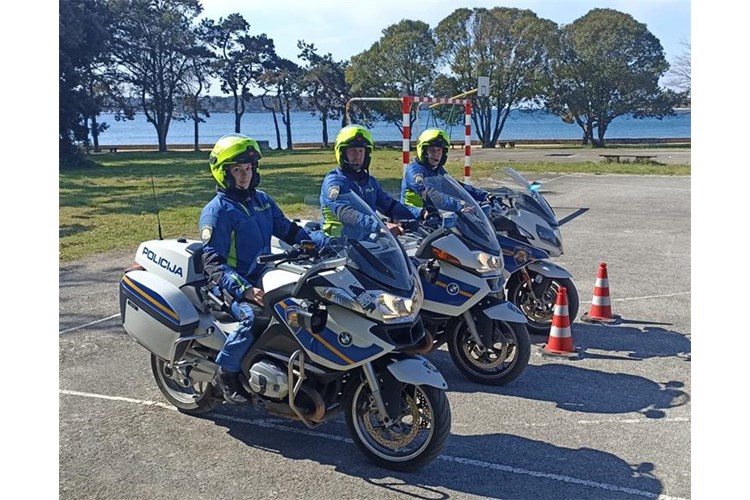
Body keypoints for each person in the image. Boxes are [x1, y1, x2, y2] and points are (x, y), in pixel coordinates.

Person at [199, 133, 312, 403]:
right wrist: (245, 290)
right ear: (223, 173)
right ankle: (226, 373)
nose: (243, 176)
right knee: (254, 317)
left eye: (248, 169)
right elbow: (213, 261)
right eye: (237, 170)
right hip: (230, 284)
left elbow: (289, 230)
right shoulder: (218, 211)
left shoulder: (261, 200)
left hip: (264, 276)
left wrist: (322, 243)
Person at [313, 124, 427, 246]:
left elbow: (390, 206)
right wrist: (379, 226)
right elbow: (346, 214)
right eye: (352, 151)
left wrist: (421, 214)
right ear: (341, 153)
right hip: (337, 246)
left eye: (361, 151)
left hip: (365, 244)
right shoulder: (335, 182)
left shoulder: (369, 181)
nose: (357, 156)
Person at [400, 128, 494, 212]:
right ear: (423, 151)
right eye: (432, 150)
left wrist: (484, 195)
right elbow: (430, 194)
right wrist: (459, 206)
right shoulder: (414, 171)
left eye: (439, 150)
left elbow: (456, 187)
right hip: (413, 219)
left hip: (433, 217)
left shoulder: (437, 170)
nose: (436, 154)